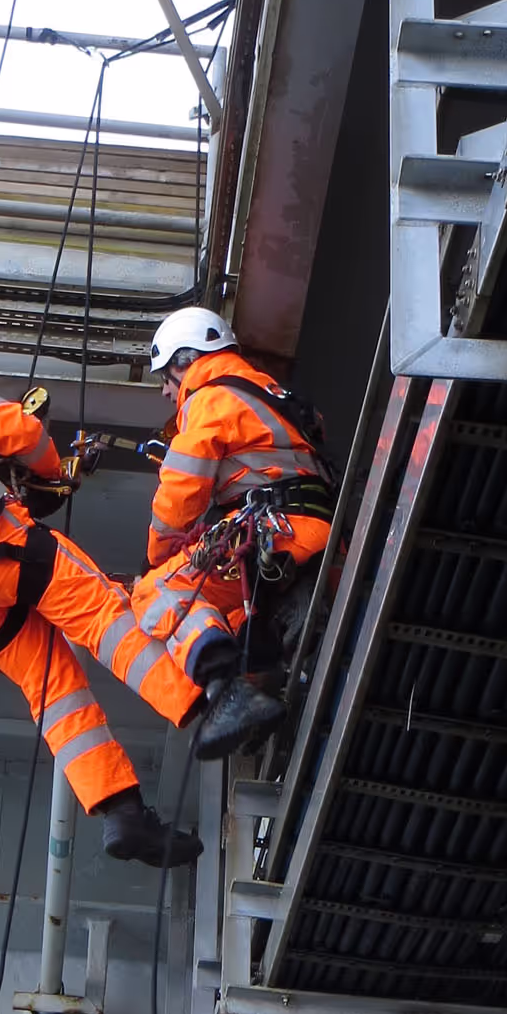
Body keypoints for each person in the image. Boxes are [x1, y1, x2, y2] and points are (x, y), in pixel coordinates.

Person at [0, 349, 273, 867]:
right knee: (104, 614)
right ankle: (212, 708)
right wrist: (55, 468)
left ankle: (121, 813)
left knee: (54, 693)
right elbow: (14, 431)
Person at [129, 308, 336, 754]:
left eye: (166, 377)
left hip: (276, 532)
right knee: (231, 609)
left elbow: (180, 491)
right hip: (314, 532)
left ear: (186, 358)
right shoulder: (267, 392)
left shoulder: (209, 399)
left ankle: (227, 688)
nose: (168, 391)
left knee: (158, 591)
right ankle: (258, 677)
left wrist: (156, 558)